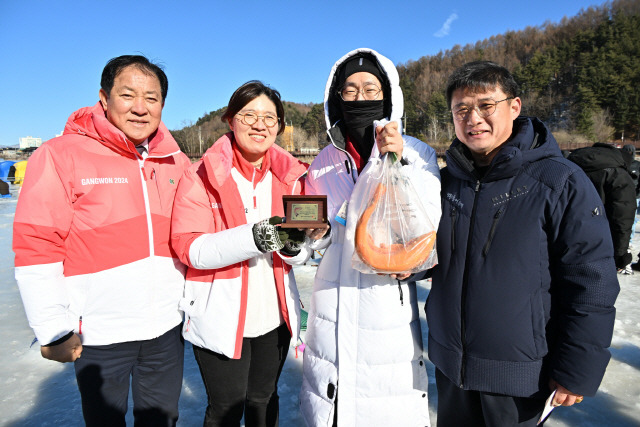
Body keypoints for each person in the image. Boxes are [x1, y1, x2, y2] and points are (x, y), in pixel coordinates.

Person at [427, 61, 619, 426]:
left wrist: (577, 366)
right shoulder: (446, 182)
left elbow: (591, 279)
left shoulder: (558, 180)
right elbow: (422, 253)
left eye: (486, 105)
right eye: (461, 110)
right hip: (451, 368)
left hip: (520, 376)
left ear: (514, 107)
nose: (474, 119)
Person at [13, 55, 191, 426]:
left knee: (163, 420)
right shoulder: (62, 155)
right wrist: (53, 329)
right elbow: (36, 245)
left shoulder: (176, 161)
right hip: (99, 330)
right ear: (104, 97)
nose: (140, 108)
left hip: (165, 327)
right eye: (128, 95)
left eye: (152, 98)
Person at [299, 48, 442, 426]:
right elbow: (314, 243)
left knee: (384, 405)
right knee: (331, 405)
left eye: (370, 88)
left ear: (388, 94)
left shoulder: (417, 153)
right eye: (350, 90)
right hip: (331, 304)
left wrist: (401, 163)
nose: (360, 98)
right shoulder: (323, 161)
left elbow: (428, 226)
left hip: (386, 308)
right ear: (337, 98)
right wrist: (315, 235)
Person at [170, 81, 322, 427]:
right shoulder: (200, 177)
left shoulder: (292, 178)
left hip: (274, 316)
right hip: (219, 314)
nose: (260, 124)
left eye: (270, 117)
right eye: (249, 115)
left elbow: (300, 256)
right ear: (230, 120)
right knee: (226, 407)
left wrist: (296, 245)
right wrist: (255, 237)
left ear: (280, 126)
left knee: (264, 400)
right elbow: (190, 247)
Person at [568, 143, 636, 272]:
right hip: (601, 242)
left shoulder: (570, 165)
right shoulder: (619, 174)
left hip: (567, 238)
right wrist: (620, 253)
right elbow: (622, 216)